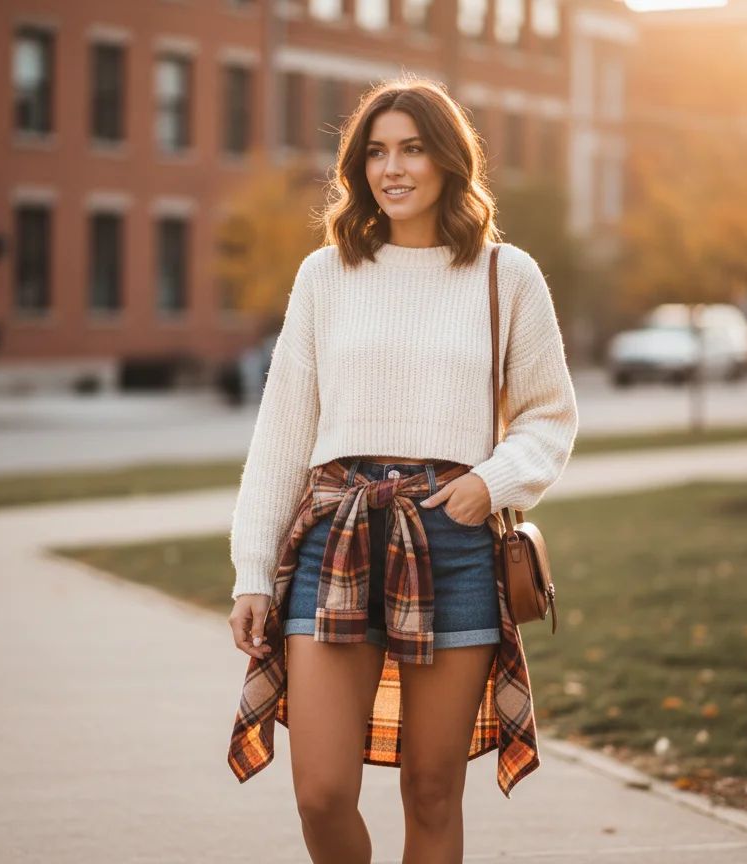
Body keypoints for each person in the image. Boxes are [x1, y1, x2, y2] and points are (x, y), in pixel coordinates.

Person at [225, 77, 579, 864]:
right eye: (377, 152)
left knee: (431, 790)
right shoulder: (325, 276)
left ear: (448, 160)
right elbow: (281, 434)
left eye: (412, 149)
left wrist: (491, 484)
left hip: (452, 543)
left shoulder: (507, 275)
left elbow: (550, 416)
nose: (393, 168)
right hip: (335, 538)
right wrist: (253, 572)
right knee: (321, 794)